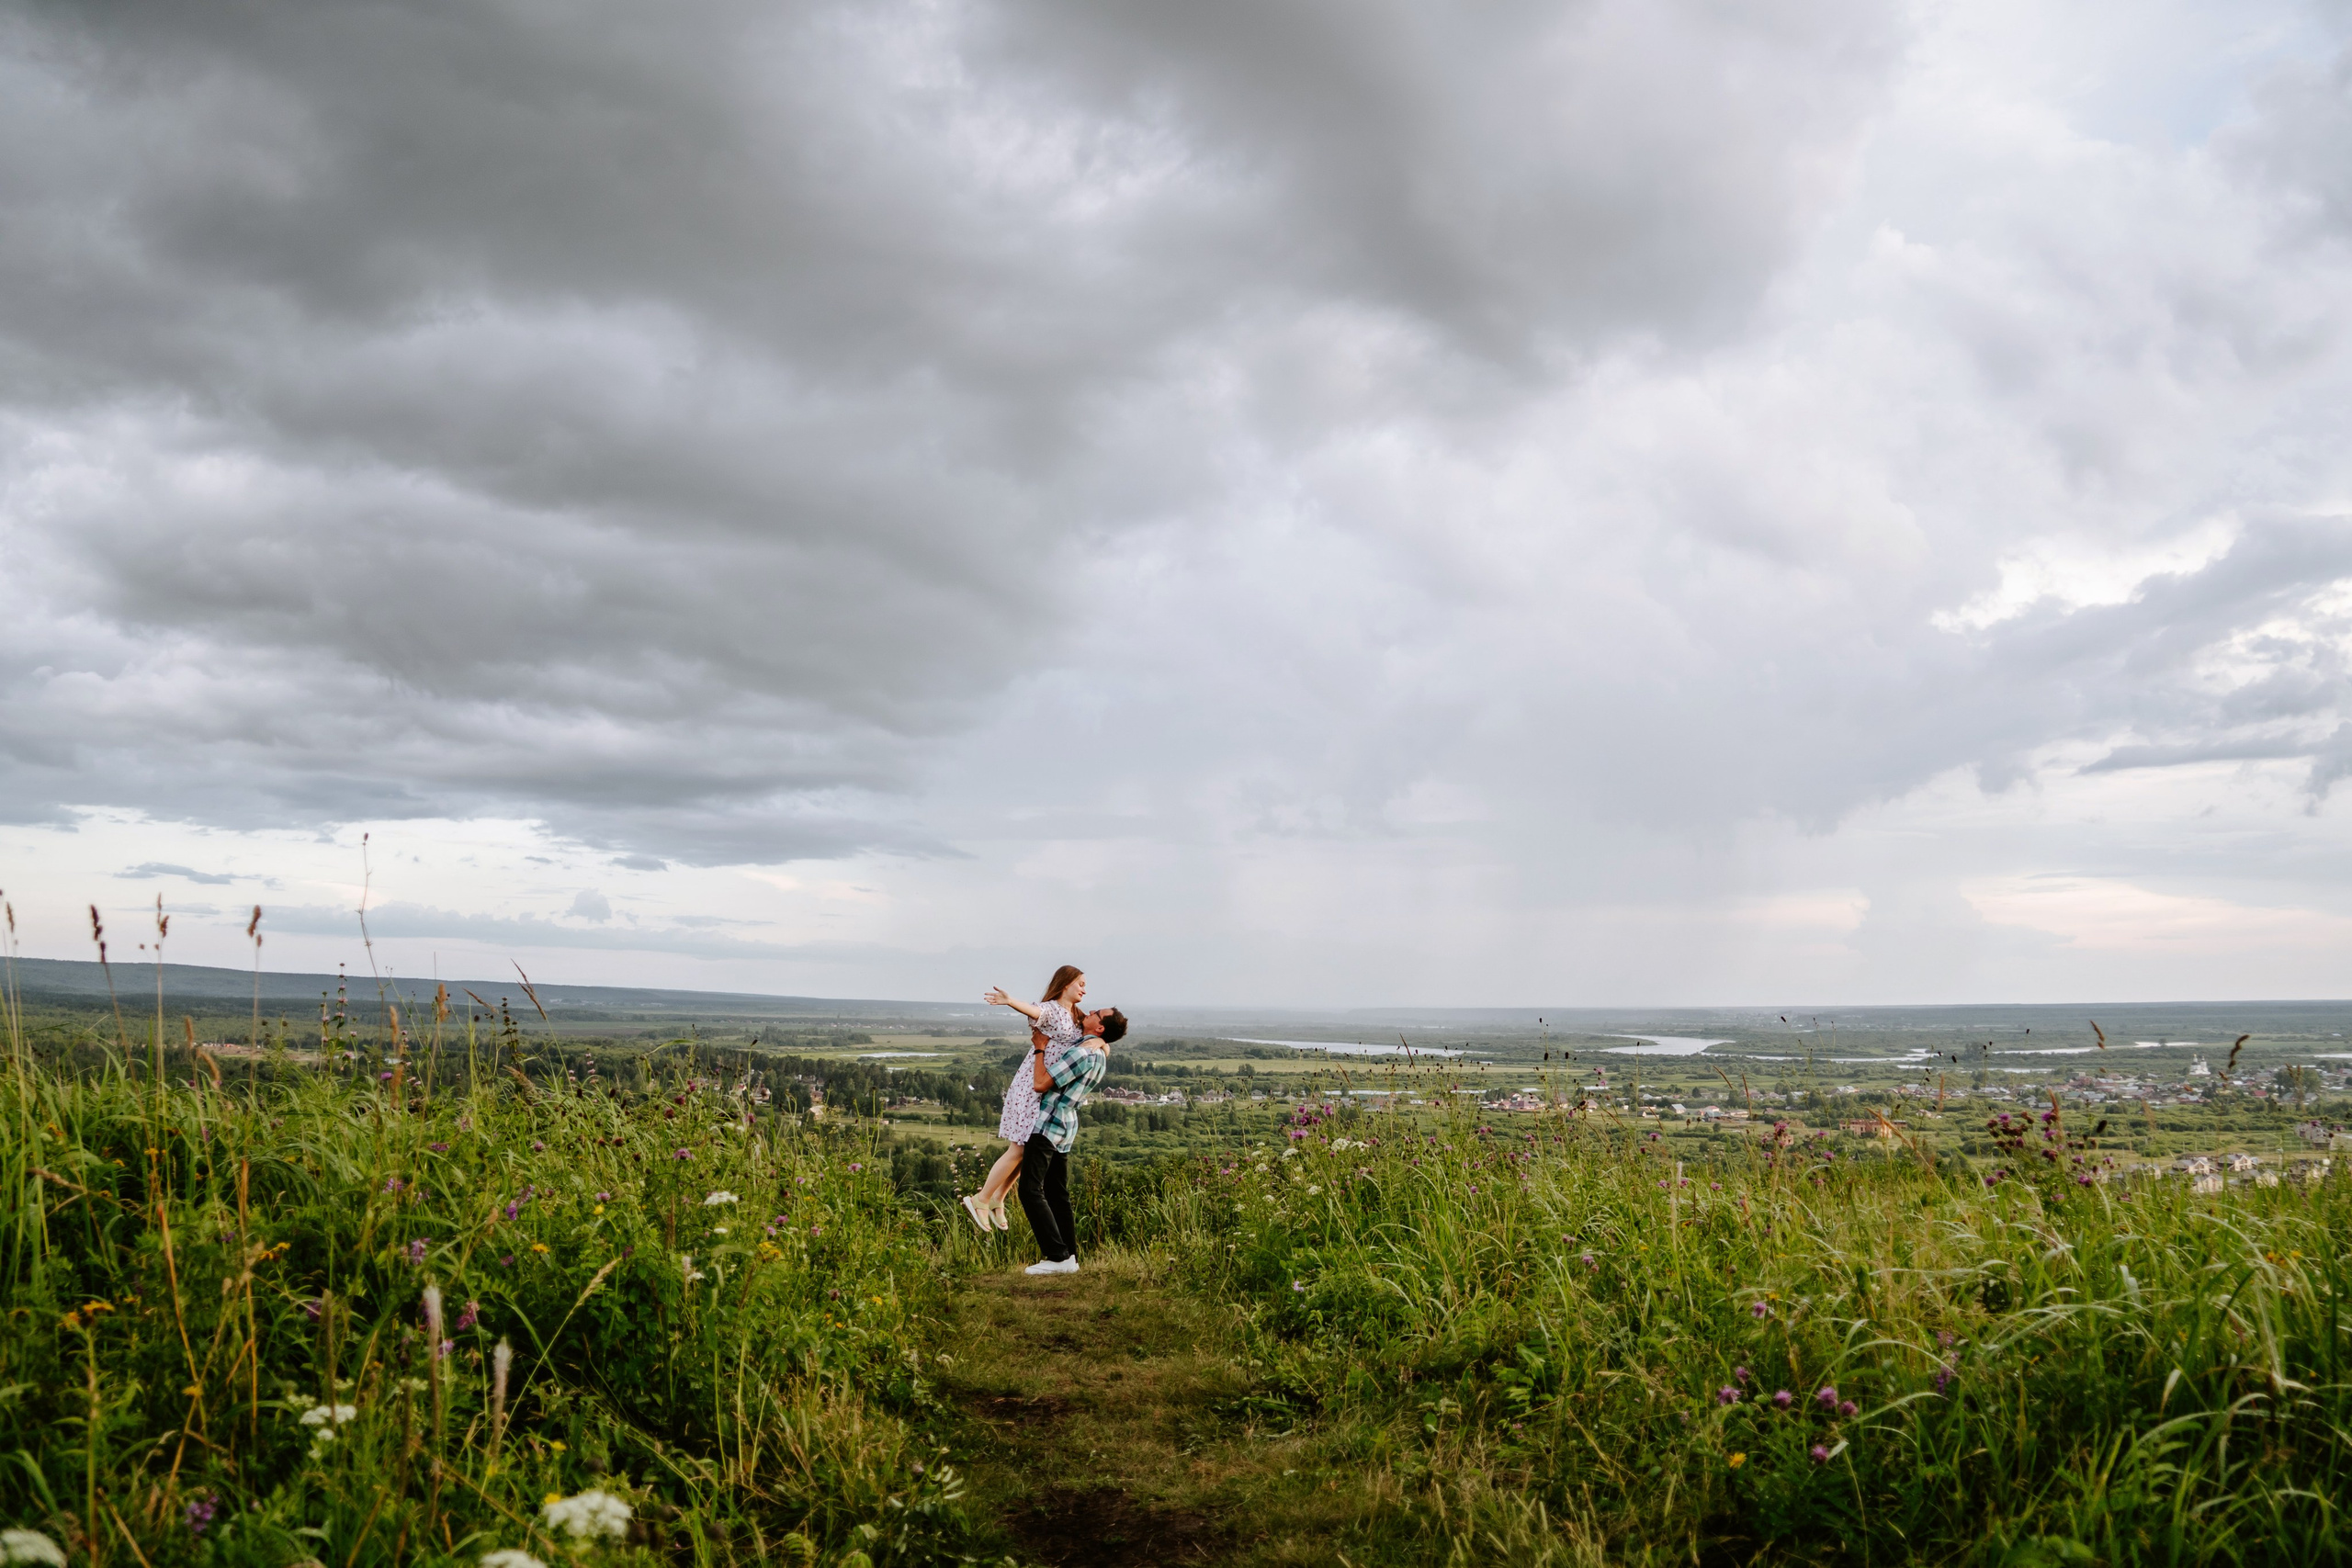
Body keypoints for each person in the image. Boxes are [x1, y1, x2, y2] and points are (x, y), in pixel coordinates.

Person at [963, 965, 1095, 1230]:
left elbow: (1092, 1038)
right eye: (1080, 983)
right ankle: (981, 1198)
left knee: (1028, 1151)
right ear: (1065, 983)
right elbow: (1036, 1011)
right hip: (1030, 1087)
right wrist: (1011, 1001)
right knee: (1020, 1148)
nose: (1084, 988)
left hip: (1046, 1087)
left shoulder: (1076, 1016)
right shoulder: (1053, 1010)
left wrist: (1102, 1043)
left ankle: (998, 1199)